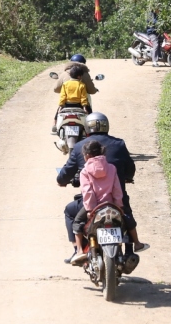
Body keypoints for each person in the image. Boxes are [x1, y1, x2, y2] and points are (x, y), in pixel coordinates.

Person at [57, 111, 148, 264]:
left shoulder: (80, 147)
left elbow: (69, 174)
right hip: (114, 201)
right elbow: (130, 168)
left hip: (91, 205)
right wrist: (127, 178)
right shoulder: (118, 145)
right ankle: (130, 249)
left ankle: (77, 250)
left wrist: (62, 180)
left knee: (70, 211)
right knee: (127, 215)